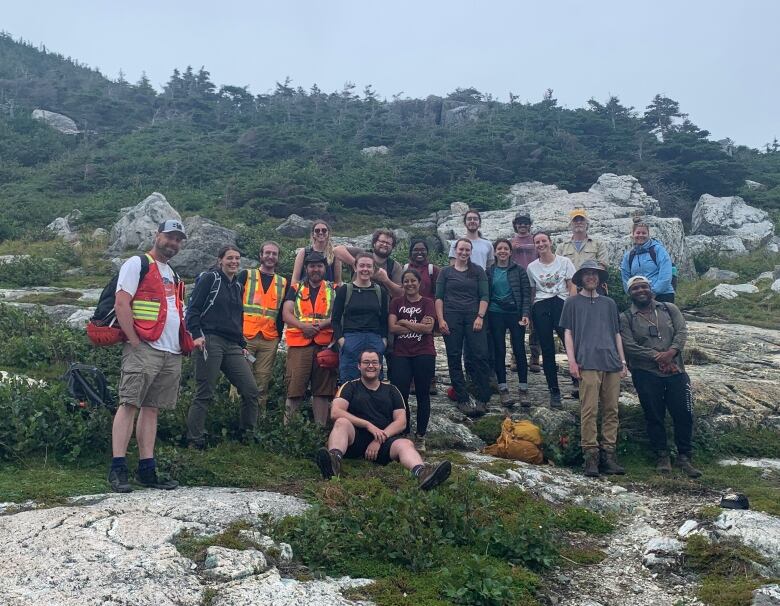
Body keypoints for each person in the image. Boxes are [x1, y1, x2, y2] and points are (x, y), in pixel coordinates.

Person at [108, 219, 192, 493]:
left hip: (171, 351)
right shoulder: (137, 264)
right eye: (170, 237)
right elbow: (122, 302)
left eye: (178, 239)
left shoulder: (174, 274)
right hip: (144, 346)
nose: (173, 243)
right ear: (157, 236)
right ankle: (118, 468)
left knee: (151, 408)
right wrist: (133, 340)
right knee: (129, 403)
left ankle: (147, 469)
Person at [315, 349, 452, 491]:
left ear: (380, 366)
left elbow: (401, 422)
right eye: (366, 362)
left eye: (375, 362)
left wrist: (379, 439)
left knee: (405, 443)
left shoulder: (392, 390)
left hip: (384, 441)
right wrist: (367, 425)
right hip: (355, 438)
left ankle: (422, 473)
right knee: (341, 422)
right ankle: (333, 462)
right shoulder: (350, 386)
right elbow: (336, 412)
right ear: (358, 366)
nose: (371, 366)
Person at [620, 275, 701, 478]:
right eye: (635, 288)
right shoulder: (626, 317)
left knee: (683, 413)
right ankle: (662, 455)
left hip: (676, 370)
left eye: (644, 287)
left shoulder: (668, 309)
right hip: (646, 373)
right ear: (630, 293)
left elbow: (681, 332)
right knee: (654, 415)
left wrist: (671, 352)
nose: (640, 291)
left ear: (651, 289)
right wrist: (657, 357)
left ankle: (684, 456)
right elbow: (629, 345)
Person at [186, 246, 260, 448]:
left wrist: (242, 344)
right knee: (205, 392)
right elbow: (193, 308)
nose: (234, 262)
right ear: (220, 260)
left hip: (232, 344)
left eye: (237, 258)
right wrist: (196, 334)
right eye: (229, 258)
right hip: (210, 340)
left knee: (251, 390)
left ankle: (247, 434)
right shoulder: (211, 279)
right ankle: (195, 439)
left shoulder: (237, 286)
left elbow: (237, 317)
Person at [559, 260, 628, 478]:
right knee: (589, 409)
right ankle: (590, 457)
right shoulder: (571, 303)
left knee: (611, 410)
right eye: (587, 274)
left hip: (611, 362)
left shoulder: (609, 303)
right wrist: (571, 360)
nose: (591, 277)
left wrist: (623, 362)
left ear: (599, 279)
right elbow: (567, 333)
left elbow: (616, 333)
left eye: (595, 274)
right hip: (587, 361)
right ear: (580, 278)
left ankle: (609, 454)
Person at [435, 238, 492, 417]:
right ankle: (462, 397)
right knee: (453, 356)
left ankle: (482, 397)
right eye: (461, 249)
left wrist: (480, 316)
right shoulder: (445, 272)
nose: (464, 253)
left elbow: (484, 295)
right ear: (455, 250)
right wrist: (441, 320)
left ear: (471, 251)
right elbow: (439, 297)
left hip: (474, 317)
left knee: (480, 355)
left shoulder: (478, 271)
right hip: (451, 317)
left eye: (467, 250)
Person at [282, 251, 337, 425]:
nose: (316, 269)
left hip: (324, 345)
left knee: (322, 392)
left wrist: (320, 326)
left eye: (319, 266)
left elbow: (338, 314)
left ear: (324, 268)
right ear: (306, 268)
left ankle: (319, 431)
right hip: (299, 344)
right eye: (312, 266)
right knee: (294, 389)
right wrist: (303, 326)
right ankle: (287, 430)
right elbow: (286, 313)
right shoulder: (295, 288)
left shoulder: (333, 289)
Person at [526, 231, 577, 408]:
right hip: (541, 304)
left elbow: (572, 285)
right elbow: (533, 292)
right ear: (535, 245)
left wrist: (571, 306)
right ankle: (554, 390)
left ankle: (577, 380)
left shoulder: (564, 262)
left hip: (561, 302)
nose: (541, 244)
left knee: (570, 343)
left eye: (543, 241)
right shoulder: (532, 267)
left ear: (550, 242)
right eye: (537, 242)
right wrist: (530, 314)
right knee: (547, 349)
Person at [388, 268, 436, 451]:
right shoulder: (396, 302)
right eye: (406, 281)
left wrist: (405, 322)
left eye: (412, 281)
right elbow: (392, 328)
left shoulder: (428, 302)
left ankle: (421, 436)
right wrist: (417, 326)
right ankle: (405, 432)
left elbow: (428, 329)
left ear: (419, 283)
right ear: (402, 284)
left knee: (423, 394)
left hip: (424, 352)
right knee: (401, 395)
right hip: (401, 353)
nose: (409, 284)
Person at [238, 241, 287, 416]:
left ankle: (258, 419)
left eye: (274, 254)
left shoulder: (283, 282)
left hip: (269, 339)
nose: (270, 256)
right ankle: (234, 415)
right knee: (239, 379)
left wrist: (279, 337)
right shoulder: (246, 275)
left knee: (262, 380)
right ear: (260, 255)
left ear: (278, 258)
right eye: (267, 253)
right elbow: (233, 303)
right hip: (245, 337)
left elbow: (282, 312)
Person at [331, 252, 389, 383]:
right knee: (349, 381)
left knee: (374, 381)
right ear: (355, 267)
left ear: (373, 269)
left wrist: (383, 341)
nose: (365, 269)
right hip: (351, 339)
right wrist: (341, 340)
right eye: (362, 265)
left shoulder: (380, 291)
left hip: (374, 339)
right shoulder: (345, 290)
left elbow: (384, 319)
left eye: (369, 266)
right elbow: (335, 319)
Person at [487, 238, 532, 407]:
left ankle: (523, 388)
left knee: (519, 349)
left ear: (510, 252)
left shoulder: (519, 270)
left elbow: (526, 294)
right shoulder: (489, 271)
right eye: (499, 249)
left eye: (506, 248)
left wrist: (526, 313)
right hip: (495, 313)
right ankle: (503, 388)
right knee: (499, 350)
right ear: (495, 251)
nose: (503, 251)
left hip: (515, 313)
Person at [510, 214, 541, 374]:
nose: (523, 225)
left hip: (536, 285)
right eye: (520, 223)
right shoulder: (511, 242)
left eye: (526, 223)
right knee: (516, 322)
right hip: (517, 286)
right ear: (515, 225)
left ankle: (535, 357)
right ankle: (515, 356)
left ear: (530, 225)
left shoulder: (536, 240)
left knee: (536, 325)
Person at [334, 228, 404, 298]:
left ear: (392, 247)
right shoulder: (361, 253)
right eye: (382, 241)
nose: (384, 244)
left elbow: (401, 294)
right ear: (374, 243)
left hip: (380, 305)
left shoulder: (395, 266)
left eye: (388, 243)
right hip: (354, 299)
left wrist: (386, 280)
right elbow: (337, 250)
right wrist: (355, 263)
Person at [620, 218, 675, 303]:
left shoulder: (658, 250)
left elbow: (666, 274)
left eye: (644, 233)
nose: (640, 235)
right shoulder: (629, 256)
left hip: (663, 295)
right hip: (640, 297)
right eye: (638, 233)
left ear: (649, 235)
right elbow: (625, 277)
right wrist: (631, 293)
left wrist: (653, 292)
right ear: (633, 234)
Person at [291, 219, 342, 287]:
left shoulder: (335, 254)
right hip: (305, 294)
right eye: (317, 230)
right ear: (313, 234)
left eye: (324, 230)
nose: (321, 232)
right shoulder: (304, 252)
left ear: (328, 233)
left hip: (327, 294)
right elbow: (295, 279)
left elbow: (338, 281)